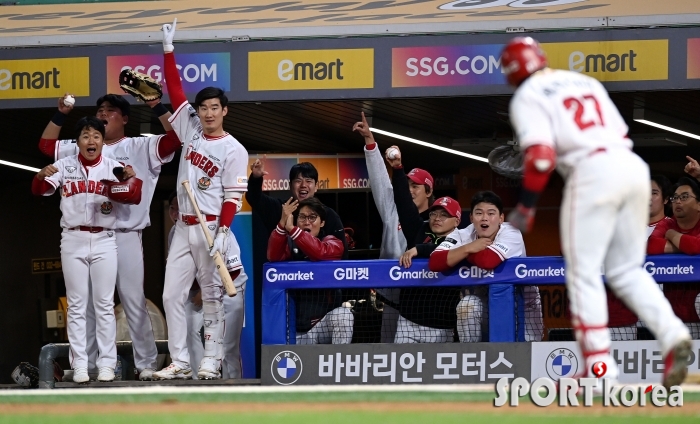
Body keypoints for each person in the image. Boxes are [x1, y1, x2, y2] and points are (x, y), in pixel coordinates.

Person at [502, 36, 691, 389]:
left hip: (590, 172)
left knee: (583, 272)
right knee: (626, 271)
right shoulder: (584, 81)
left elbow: (541, 157)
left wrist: (526, 205)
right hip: (632, 166)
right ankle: (673, 335)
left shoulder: (528, 95)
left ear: (512, 72)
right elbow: (616, 130)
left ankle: (598, 367)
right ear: (540, 57)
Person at [38, 92, 180, 381]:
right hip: (86, 233)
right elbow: (45, 145)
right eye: (100, 109)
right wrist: (61, 113)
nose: (104, 113)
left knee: (132, 301)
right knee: (86, 303)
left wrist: (156, 105)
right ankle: (88, 364)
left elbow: (175, 139)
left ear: (125, 118)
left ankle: (146, 364)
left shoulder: (139, 145)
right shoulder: (83, 146)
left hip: (125, 233)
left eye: (111, 110)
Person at [153, 19, 249, 380]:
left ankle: (211, 360)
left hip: (211, 228)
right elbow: (175, 92)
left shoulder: (233, 149)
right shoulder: (190, 128)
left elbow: (233, 195)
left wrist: (224, 230)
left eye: (214, 107)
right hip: (183, 227)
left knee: (212, 297)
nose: (207, 113)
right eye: (204, 107)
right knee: (170, 295)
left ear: (224, 110)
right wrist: (168, 50)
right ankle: (179, 361)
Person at [32, 116, 143, 383]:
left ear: (103, 141)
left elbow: (135, 196)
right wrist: (39, 176)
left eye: (96, 136)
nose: (91, 140)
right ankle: (80, 364)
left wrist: (131, 179)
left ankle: (107, 363)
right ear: (78, 142)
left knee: (104, 304)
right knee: (77, 305)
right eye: (85, 136)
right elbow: (39, 191)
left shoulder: (115, 167)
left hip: (105, 238)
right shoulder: (64, 165)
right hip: (73, 238)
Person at [429, 191, 542, 342]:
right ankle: (472, 356)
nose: (484, 218)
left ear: (501, 218)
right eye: (479, 213)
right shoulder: (464, 234)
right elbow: (435, 262)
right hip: (482, 303)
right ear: (471, 218)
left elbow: (488, 261)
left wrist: (460, 254)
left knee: (524, 357)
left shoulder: (511, 232)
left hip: (521, 306)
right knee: (467, 305)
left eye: (491, 213)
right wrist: (469, 247)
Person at [167, 192, 248, 379]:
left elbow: (233, 270)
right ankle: (198, 379)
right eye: (173, 208)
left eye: (180, 208)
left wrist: (206, 291)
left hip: (230, 289)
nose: (176, 213)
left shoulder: (216, 229)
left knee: (229, 346)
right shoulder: (175, 233)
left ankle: (234, 386)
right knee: (187, 326)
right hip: (199, 291)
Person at [352, 112, 406, 342]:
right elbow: (381, 183)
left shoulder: (436, 220)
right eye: (409, 184)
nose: (411, 189)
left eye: (418, 186)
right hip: (393, 298)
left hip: (423, 296)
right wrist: (370, 142)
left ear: (429, 191)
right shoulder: (393, 211)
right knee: (389, 353)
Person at [267, 197, 352, 344]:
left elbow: (320, 252)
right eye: (302, 217)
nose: (307, 222)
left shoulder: (332, 242)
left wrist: (293, 230)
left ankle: (339, 364)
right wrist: (282, 225)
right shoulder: (288, 243)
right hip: (294, 330)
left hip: (321, 327)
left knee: (343, 315)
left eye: (313, 217)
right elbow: (273, 257)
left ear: (322, 222)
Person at [247, 160, 347, 257]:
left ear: (316, 186)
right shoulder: (281, 209)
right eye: (298, 181)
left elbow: (341, 254)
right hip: (288, 273)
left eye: (308, 181)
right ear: (290, 185)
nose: (303, 185)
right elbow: (254, 198)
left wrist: (293, 230)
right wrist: (255, 179)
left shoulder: (329, 214)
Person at [647, 177, 700, 338]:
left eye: (684, 197)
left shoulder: (669, 229)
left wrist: (671, 235)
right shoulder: (668, 224)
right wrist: (684, 244)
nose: (678, 202)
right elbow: (652, 246)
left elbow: (696, 246)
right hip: (673, 318)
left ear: (699, 204)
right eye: (675, 198)